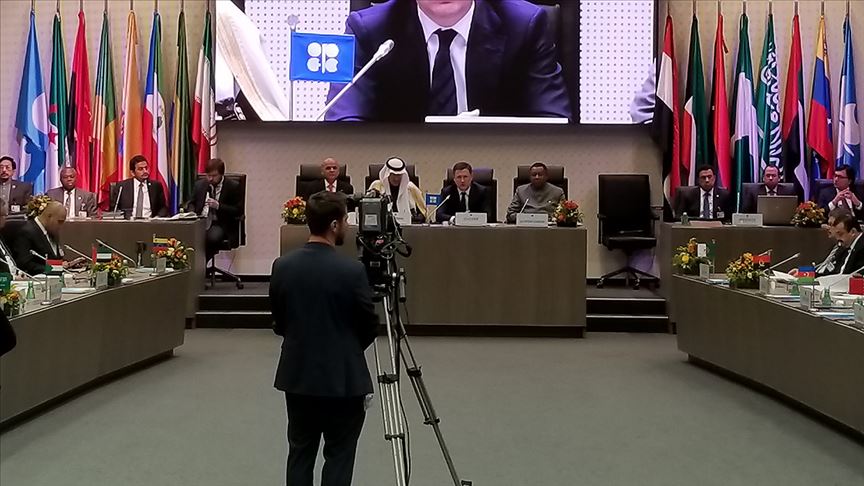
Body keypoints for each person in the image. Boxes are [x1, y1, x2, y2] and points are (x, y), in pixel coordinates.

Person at [269, 191, 378, 486]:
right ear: (334, 224)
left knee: (300, 453)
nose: (347, 226)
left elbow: (279, 321)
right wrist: (346, 347)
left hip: (298, 376)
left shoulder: (282, 266)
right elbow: (369, 324)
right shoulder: (353, 271)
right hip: (343, 379)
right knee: (339, 456)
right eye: (345, 220)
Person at [325, 0, 572, 122]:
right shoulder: (369, 30)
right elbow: (344, 122)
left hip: (496, 172)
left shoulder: (524, 25)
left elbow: (552, 122)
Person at [186, 159, 244, 261]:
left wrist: (218, 206)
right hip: (200, 221)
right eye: (208, 175)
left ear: (221, 174)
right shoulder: (200, 185)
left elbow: (238, 211)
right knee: (186, 236)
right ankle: (193, 265)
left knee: (211, 238)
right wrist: (192, 212)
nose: (210, 179)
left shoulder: (233, 186)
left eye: (214, 176)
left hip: (220, 223)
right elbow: (191, 203)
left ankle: (201, 265)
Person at [9, 201, 72, 276]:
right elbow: (25, 264)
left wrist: (69, 264)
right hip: (36, 279)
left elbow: (54, 259)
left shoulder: (52, 231)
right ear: (49, 216)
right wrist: (55, 269)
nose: (61, 226)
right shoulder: (27, 232)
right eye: (59, 221)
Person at [367, 157, 427, 223]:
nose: (396, 179)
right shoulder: (376, 186)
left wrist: (419, 217)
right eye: (393, 175)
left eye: (399, 175)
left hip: (406, 227)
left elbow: (423, 212)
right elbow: (367, 210)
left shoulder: (411, 188)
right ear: (387, 174)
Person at [818, 209, 864, 276]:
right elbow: (834, 272)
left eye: (840, 234)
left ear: (853, 232)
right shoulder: (844, 246)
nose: (838, 238)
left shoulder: (861, 247)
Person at [0, 199, 19, 276]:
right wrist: (12, 278)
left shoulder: (1, 236)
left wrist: (18, 274)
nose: (6, 218)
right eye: (3, 215)